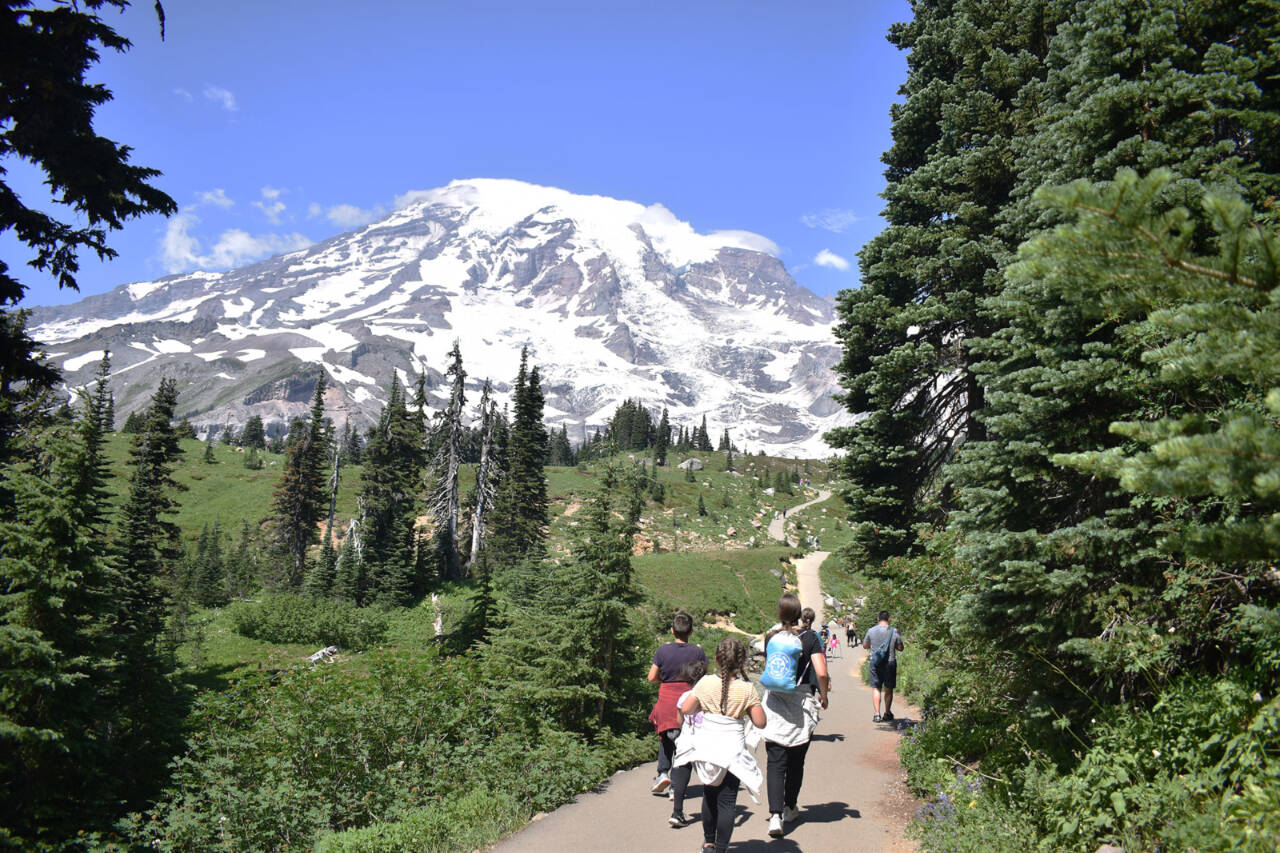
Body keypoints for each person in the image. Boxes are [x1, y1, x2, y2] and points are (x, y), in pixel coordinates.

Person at [674, 637, 766, 853]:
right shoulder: (747, 689)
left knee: (709, 794)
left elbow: (686, 709)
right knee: (727, 802)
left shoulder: (705, 683)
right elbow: (760, 722)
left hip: (708, 746)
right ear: (742, 662)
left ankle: (708, 843)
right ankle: (722, 849)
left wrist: (703, 706)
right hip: (732, 749)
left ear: (715, 659)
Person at [760, 593, 828, 838]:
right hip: (800, 702)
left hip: (774, 703)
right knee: (796, 759)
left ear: (779, 613)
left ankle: (775, 816)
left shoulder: (771, 637)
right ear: (800, 614)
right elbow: (820, 671)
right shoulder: (810, 638)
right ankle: (790, 807)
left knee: (775, 761)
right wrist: (824, 695)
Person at [648, 612, 708, 794]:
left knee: (666, 738)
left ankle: (663, 773)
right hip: (688, 701)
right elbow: (704, 677)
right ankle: (677, 786)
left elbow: (651, 677)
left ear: (672, 630)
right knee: (685, 743)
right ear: (690, 632)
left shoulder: (662, 651)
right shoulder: (697, 652)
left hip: (666, 700)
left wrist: (664, 679)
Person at [667, 658, 708, 827]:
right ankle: (710, 812)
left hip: (686, 738)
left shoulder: (684, 697)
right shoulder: (708, 696)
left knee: (682, 773)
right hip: (705, 738)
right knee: (709, 777)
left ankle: (677, 812)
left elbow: (679, 721)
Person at [863, 609, 905, 722]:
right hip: (890, 662)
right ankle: (887, 713)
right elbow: (901, 648)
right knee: (888, 689)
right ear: (889, 619)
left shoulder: (871, 631)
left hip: (875, 662)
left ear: (878, 619)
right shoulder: (894, 631)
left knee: (876, 688)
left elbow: (865, 645)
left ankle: (877, 714)